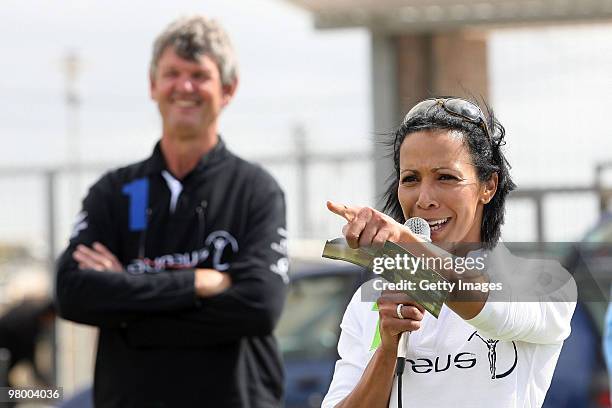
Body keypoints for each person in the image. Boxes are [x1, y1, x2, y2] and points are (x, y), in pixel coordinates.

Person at [55, 15, 288, 408]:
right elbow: (72, 293)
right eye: (172, 73)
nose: (185, 87)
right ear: (152, 85)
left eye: (199, 75)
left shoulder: (255, 191)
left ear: (227, 89)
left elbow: (259, 307)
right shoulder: (115, 192)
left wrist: (129, 311)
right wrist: (197, 282)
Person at [321, 97, 577, 407]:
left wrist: (406, 245)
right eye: (411, 179)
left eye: (446, 177)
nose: (425, 198)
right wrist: (387, 348)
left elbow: (484, 305)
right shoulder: (374, 299)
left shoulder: (544, 283)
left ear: (489, 186)